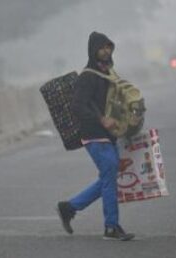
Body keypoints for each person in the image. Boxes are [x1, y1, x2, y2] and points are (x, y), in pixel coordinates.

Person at [56, 31, 135, 241]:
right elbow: (78, 105)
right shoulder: (88, 76)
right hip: (94, 134)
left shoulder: (108, 73)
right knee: (110, 174)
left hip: (108, 135)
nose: (106, 51)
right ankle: (111, 227)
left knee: (109, 177)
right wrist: (101, 120)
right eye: (102, 48)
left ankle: (70, 207)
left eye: (109, 47)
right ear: (93, 51)